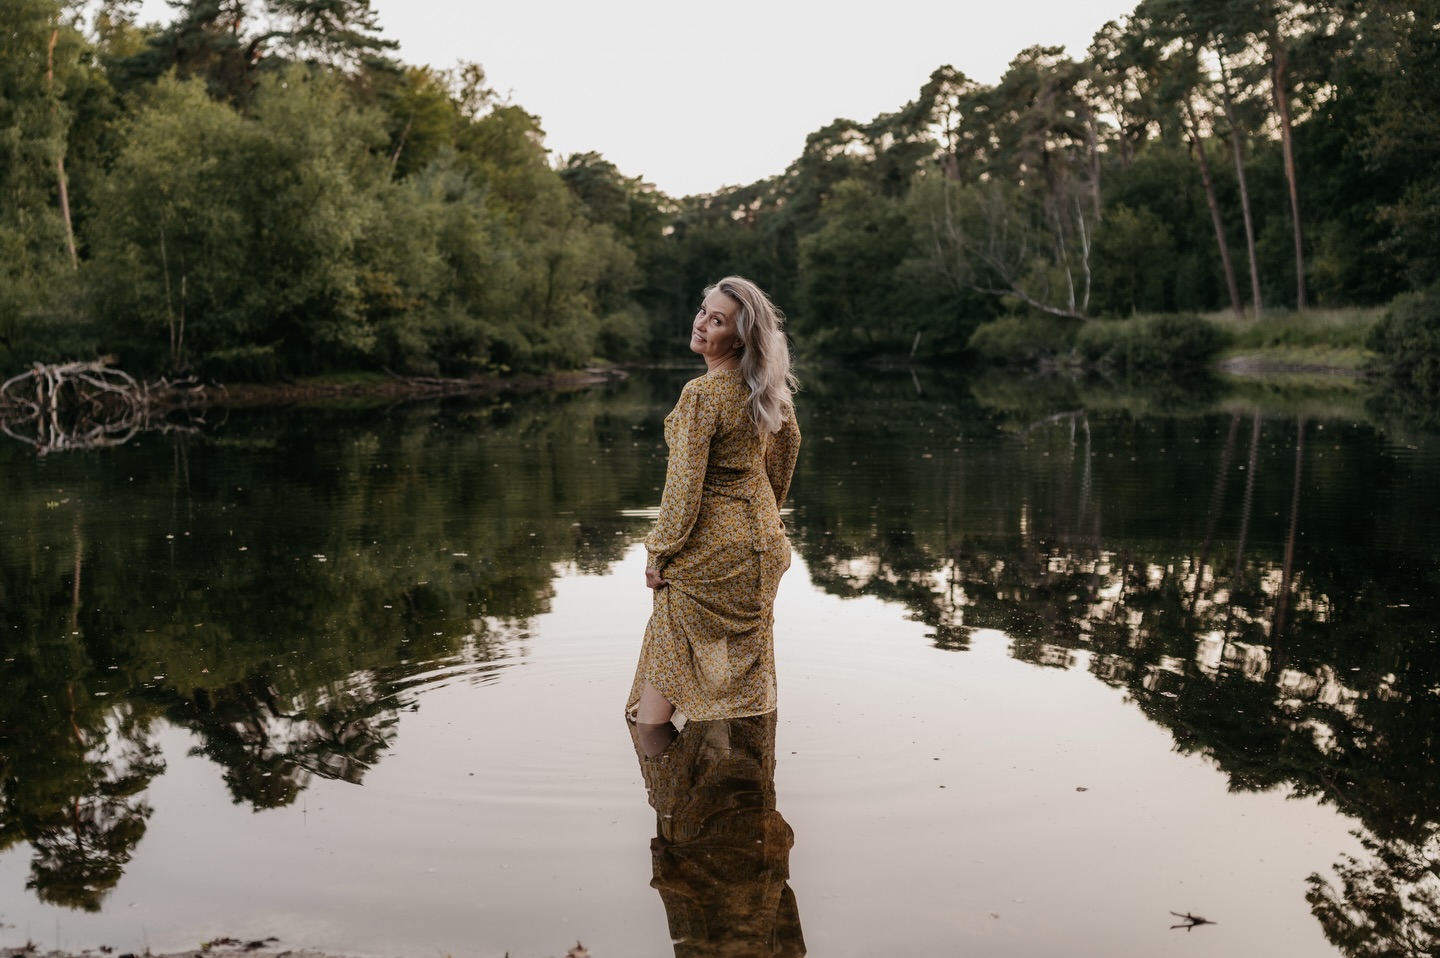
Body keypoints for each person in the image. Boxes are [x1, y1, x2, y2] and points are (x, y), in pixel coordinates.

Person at [626, 276, 800, 726]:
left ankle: (664, 772)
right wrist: (765, 520)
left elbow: (682, 490)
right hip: (762, 550)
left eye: (717, 320)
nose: (702, 324)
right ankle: (739, 776)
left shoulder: (701, 395)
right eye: (703, 311)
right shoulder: (769, 391)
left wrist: (659, 553)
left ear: (740, 337)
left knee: (652, 717)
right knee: (735, 685)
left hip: (711, 557)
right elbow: (784, 457)